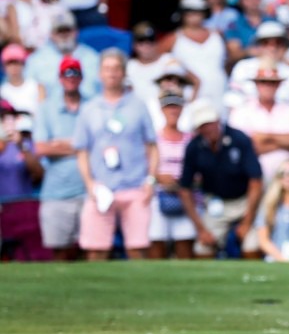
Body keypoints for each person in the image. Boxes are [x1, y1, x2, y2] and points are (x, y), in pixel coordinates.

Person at [72, 50, 158, 261]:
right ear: (100, 73)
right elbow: (82, 150)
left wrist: (151, 179)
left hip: (134, 184)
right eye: (107, 69)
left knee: (137, 249)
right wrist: (90, 183)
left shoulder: (137, 105)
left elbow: (152, 146)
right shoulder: (90, 108)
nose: (112, 74)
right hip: (102, 187)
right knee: (96, 249)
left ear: (123, 73)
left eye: (116, 69)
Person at [177, 100, 264, 258]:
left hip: (245, 200)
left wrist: (247, 221)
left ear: (217, 120)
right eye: (203, 125)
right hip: (215, 203)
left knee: (252, 243)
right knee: (202, 247)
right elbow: (185, 189)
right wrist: (201, 229)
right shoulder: (194, 147)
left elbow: (256, 181)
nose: (208, 128)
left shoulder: (239, 139)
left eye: (210, 123)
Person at [32, 57, 89, 260]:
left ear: (81, 77)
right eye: (67, 73)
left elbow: (99, 145)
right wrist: (79, 146)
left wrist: (60, 144)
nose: (71, 77)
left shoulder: (92, 107)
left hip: (89, 190)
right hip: (56, 191)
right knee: (60, 253)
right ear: (60, 78)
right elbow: (40, 148)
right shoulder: (47, 108)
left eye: (75, 73)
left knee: (92, 250)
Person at [227, 63, 289, 184]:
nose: (267, 86)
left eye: (272, 83)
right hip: (252, 182)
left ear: (279, 85)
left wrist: (267, 137)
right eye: (263, 82)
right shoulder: (241, 111)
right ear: (256, 84)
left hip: (288, 181)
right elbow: (242, 148)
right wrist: (287, 144)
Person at [149, 91, 196, 259]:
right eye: (169, 108)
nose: (173, 112)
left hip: (185, 196)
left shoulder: (191, 138)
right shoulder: (154, 139)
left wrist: (185, 180)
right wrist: (159, 177)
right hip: (160, 195)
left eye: (176, 107)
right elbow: (147, 167)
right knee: (157, 242)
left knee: (184, 242)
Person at [0, 100, 47, 260]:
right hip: (2, 207)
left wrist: (21, 146)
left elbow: (39, 174)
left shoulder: (25, 143)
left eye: (9, 118)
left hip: (24, 206)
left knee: (27, 255)